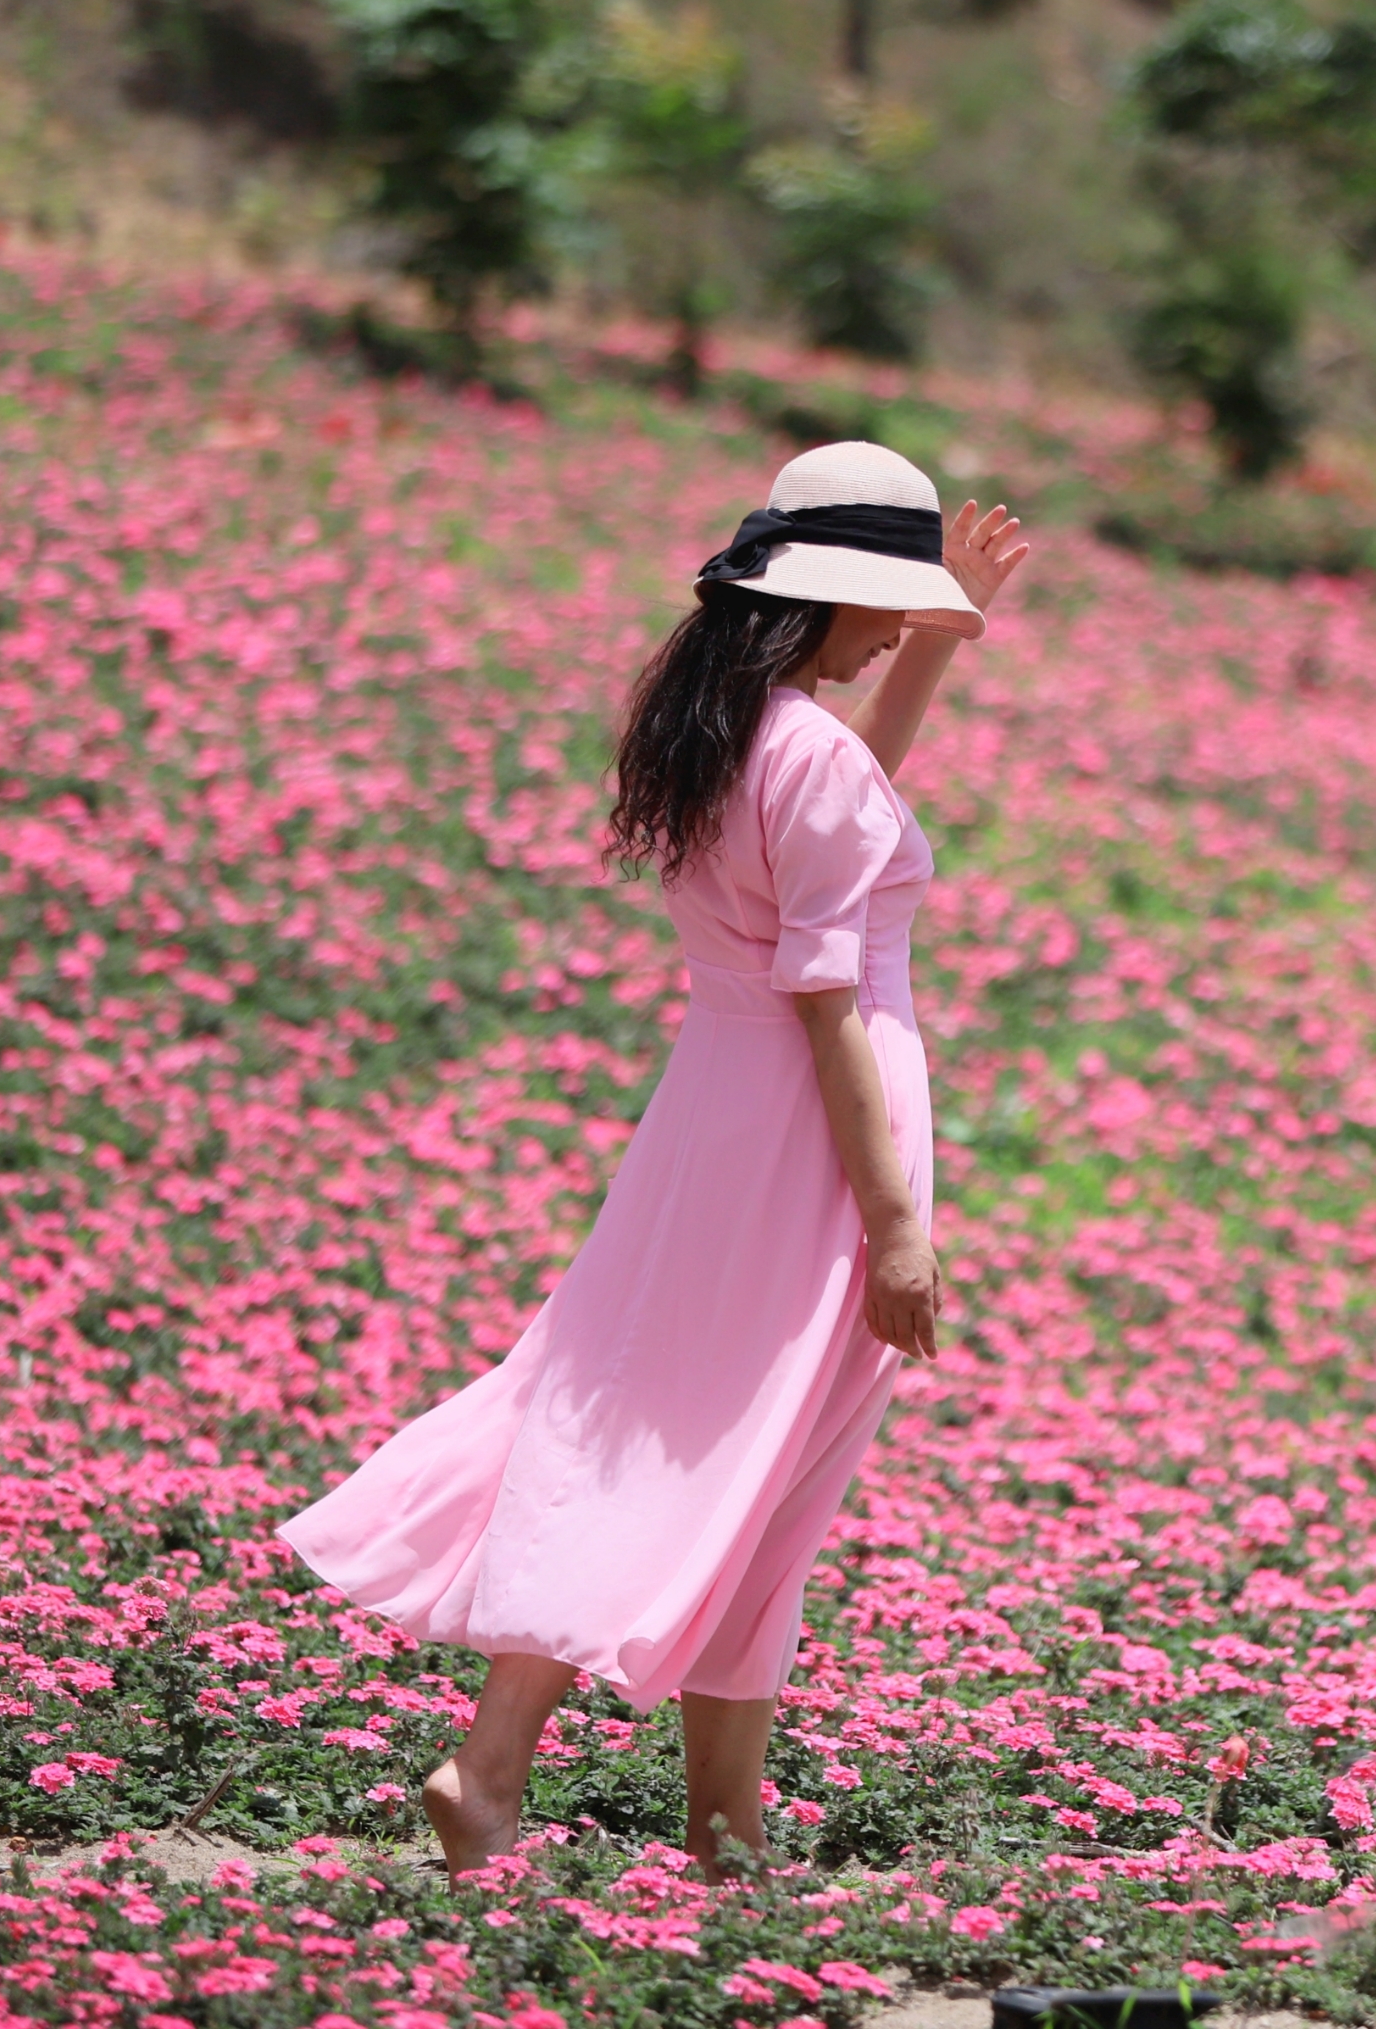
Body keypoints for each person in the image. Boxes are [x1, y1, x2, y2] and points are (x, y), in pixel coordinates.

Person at [279, 441, 1031, 1876]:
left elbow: (849, 825)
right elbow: (833, 1008)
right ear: (825, 603)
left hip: (713, 1122)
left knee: (677, 1441)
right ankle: (506, 1768)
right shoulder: (807, 756)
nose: (892, 627)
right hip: (815, 1145)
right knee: (738, 1470)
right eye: (886, 603)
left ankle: (716, 1833)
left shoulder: (731, 728)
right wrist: (898, 1228)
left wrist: (942, 639)